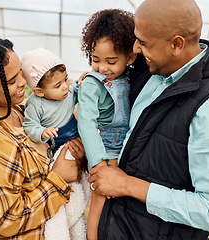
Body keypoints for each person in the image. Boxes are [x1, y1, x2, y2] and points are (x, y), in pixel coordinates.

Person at [88, 0, 209, 239]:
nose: (136, 49)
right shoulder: (154, 69)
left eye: (143, 42)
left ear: (176, 44)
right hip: (120, 224)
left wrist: (127, 185)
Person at [0, 31, 85, 239]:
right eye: (11, 81)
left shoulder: (18, 112)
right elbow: (8, 219)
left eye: (21, 72)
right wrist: (58, 179)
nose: (23, 82)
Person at [78, 9, 137, 240]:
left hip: (125, 149)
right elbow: (86, 123)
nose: (103, 68)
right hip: (104, 150)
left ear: (130, 57)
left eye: (111, 61)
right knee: (99, 201)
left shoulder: (131, 76)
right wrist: (98, 163)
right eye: (95, 60)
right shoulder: (92, 84)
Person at [21, 47, 90, 239]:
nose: (65, 87)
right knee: (69, 176)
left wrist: (81, 83)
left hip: (76, 133)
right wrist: (42, 132)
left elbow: (76, 90)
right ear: (39, 91)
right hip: (57, 143)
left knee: (88, 161)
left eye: (66, 79)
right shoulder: (35, 104)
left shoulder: (67, 93)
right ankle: (69, 216)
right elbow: (29, 125)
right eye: (58, 84)